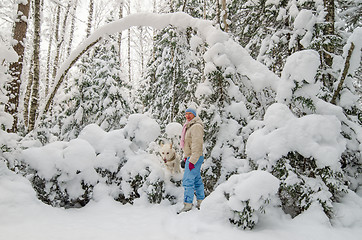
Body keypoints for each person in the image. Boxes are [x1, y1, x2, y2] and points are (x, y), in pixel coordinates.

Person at [177, 107, 205, 214]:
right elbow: (189, 144)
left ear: (194, 115)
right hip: (192, 157)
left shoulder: (196, 126)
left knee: (187, 181)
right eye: (186, 114)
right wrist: (186, 157)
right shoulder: (190, 126)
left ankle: (187, 205)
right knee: (197, 180)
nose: (188, 116)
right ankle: (201, 202)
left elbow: (197, 145)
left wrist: (192, 161)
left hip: (194, 158)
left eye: (190, 114)